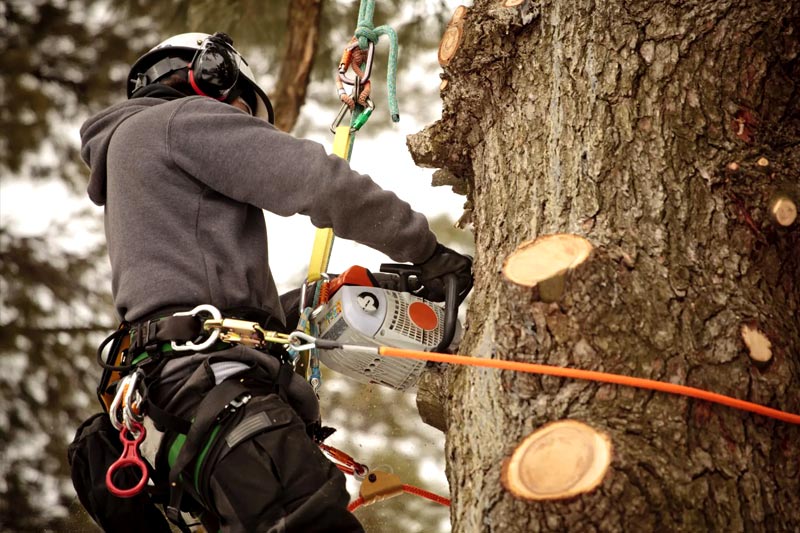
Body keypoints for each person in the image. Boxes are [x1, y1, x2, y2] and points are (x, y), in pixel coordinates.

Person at [71, 32, 472, 533]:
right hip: (219, 397)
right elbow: (317, 182)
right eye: (240, 110)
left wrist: (306, 302)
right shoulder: (179, 120)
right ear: (210, 77)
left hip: (174, 406)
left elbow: (188, 304)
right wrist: (427, 254)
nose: (240, 124)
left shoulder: (131, 157)